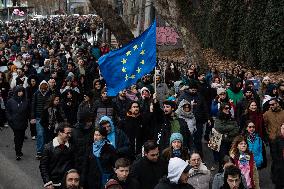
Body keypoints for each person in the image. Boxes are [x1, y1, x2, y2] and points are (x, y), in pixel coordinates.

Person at [39, 123, 75, 189]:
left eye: (70, 133)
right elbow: (43, 166)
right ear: (60, 132)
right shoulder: (48, 148)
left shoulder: (71, 147)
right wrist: (47, 182)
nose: (69, 135)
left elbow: (73, 164)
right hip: (53, 184)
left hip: (67, 184)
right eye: (67, 133)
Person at [6, 86, 29, 160]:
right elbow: (7, 111)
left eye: (22, 91)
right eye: (19, 91)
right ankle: (17, 152)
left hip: (23, 122)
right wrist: (10, 118)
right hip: (14, 123)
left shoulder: (26, 101)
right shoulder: (10, 101)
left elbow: (28, 111)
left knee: (21, 137)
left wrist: (30, 118)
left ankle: (19, 149)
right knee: (17, 137)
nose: (20, 93)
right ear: (16, 92)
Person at [31, 80, 51, 159]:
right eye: (42, 88)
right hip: (39, 117)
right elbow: (33, 105)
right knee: (40, 134)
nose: (43, 90)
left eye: (45, 88)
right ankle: (39, 151)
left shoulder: (50, 94)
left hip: (48, 117)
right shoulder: (36, 94)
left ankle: (46, 151)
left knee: (46, 134)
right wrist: (32, 117)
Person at [214, 103, 239, 167]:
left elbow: (236, 129)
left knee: (232, 157)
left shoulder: (231, 117)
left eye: (229, 108)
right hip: (222, 142)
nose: (228, 110)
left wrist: (227, 134)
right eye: (226, 108)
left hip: (231, 141)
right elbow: (219, 128)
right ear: (222, 109)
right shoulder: (218, 118)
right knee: (223, 158)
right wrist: (231, 127)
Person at [270, 123, 284, 189]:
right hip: (279, 168)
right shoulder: (276, 141)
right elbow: (274, 155)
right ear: (280, 130)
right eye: (283, 128)